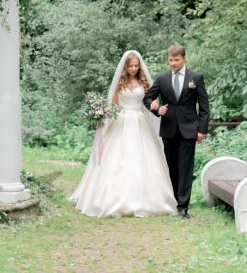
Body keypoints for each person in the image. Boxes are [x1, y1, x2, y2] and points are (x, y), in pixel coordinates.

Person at [69, 51, 177, 218]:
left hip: (140, 122)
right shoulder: (120, 83)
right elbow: (113, 105)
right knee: (117, 157)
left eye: (136, 66)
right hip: (122, 120)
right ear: (125, 66)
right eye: (130, 66)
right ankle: (112, 198)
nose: (133, 69)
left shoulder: (144, 82)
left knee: (144, 157)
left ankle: (149, 199)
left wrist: (155, 104)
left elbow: (150, 100)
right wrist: (101, 113)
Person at [143, 45, 209, 218]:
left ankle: (183, 206)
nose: (173, 63)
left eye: (176, 60)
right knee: (171, 167)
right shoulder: (162, 78)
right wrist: (156, 109)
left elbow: (204, 107)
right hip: (169, 128)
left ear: (184, 58)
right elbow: (148, 98)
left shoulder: (196, 78)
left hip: (189, 129)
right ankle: (171, 202)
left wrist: (202, 129)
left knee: (185, 168)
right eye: (170, 60)